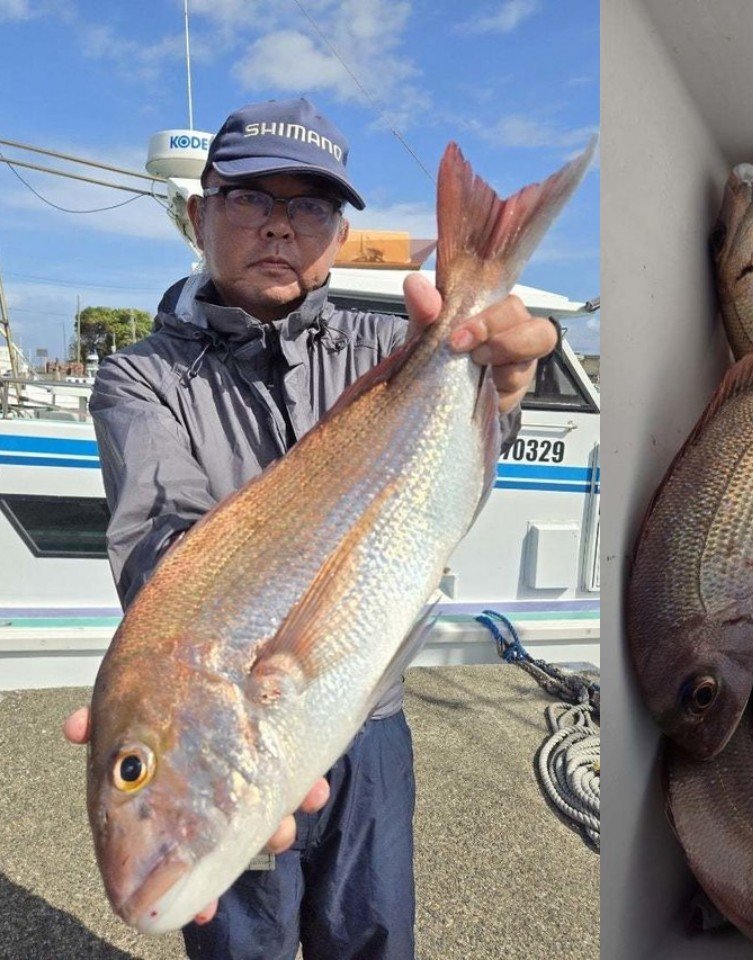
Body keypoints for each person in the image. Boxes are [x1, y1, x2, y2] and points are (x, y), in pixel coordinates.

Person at [62, 96, 557, 959]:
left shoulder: (395, 343)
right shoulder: (141, 379)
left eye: (311, 206)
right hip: (258, 723)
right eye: (251, 198)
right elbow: (161, 555)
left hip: (373, 722)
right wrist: (184, 700)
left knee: (373, 937)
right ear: (198, 212)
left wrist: (500, 391)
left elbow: (448, 493)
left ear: (335, 230)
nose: (280, 228)